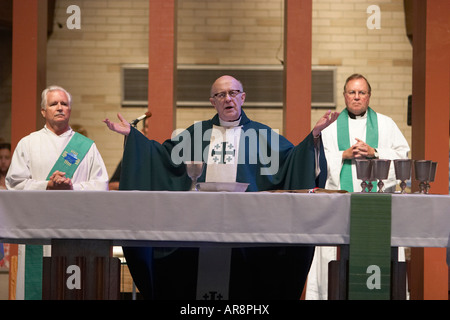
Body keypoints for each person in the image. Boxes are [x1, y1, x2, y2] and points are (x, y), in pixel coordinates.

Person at [104, 75, 339, 300]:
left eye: (233, 93)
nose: (228, 98)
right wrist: (133, 136)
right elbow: (162, 157)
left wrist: (314, 137)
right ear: (212, 102)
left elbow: (292, 159)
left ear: (243, 97)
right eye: (221, 94)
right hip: (200, 227)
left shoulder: (262, 135)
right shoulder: (196, 134)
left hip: (247, 230)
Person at [305, 73, 410, 300]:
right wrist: (343, 154)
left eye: (361, 92)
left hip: (377, 208)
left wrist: (375, 152)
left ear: (369, 96)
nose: (356, 97)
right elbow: (314, 162)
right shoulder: (330, 127)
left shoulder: (386, 124)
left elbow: (404, 159)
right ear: (344, 96)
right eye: (352, 92)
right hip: (337, 208)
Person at [6, 85, 109, 299]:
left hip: (74, 228)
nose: (60, 107)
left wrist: (72, 187)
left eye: (64, 104)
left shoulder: (86, 147)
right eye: (54, 104)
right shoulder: (28, 143)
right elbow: (14, 184)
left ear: (70, 110)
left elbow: (101, 185)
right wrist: (48, 186)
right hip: (37, 228)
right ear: (43, 111)